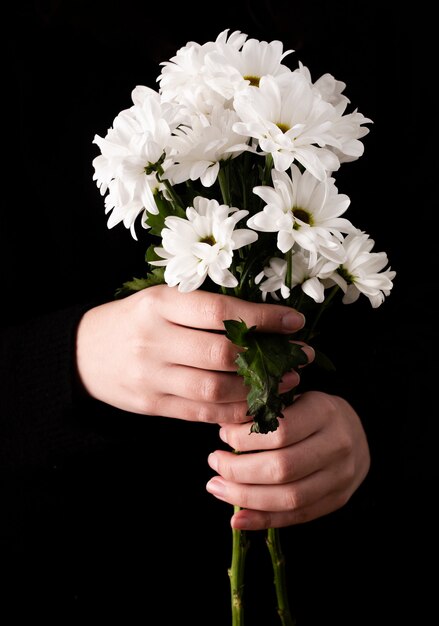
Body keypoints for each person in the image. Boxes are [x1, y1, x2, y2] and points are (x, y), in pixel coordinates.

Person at [1, 2, 436, 624]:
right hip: (72, 572)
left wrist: (377, 430)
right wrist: (70, 359)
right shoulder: (30, 48)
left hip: (353, 566)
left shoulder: (387, 39)